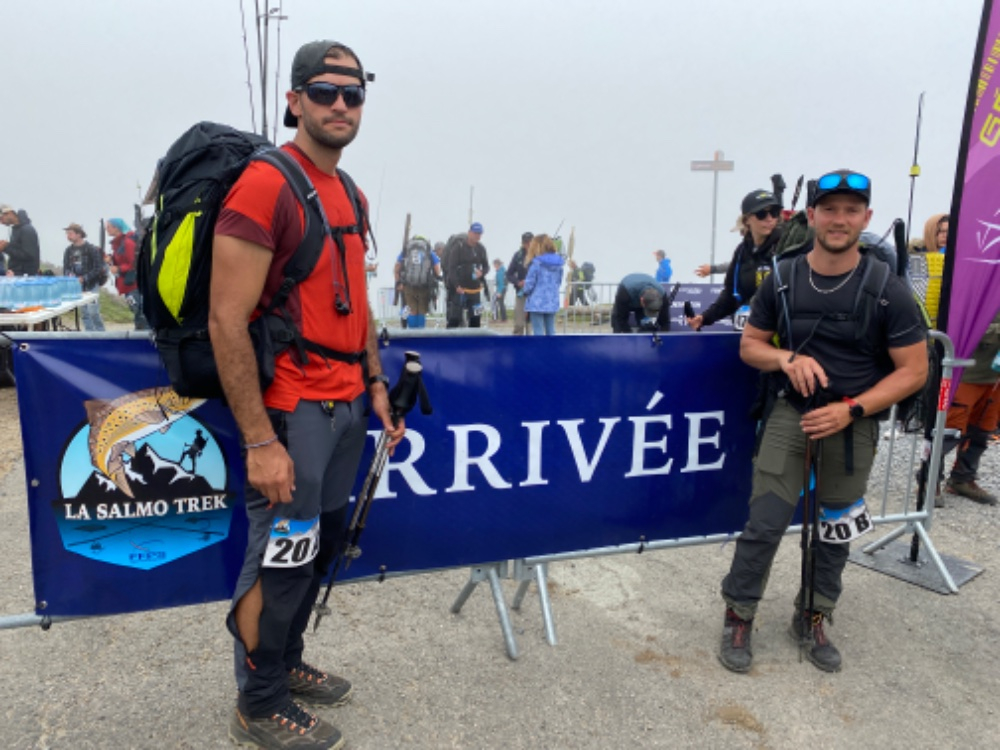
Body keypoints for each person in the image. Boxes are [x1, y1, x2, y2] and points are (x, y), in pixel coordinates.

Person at [209, 39, 404, 750]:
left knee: (315, 549)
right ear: (295, 101)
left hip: (347, 403)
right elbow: (226, 319)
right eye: (324, 91)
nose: (340, 105)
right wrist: (260, 440)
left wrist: (375, 382)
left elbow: (356, 303)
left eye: (353, 93)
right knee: (282, 557)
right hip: (293, 409)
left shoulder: (349, 192)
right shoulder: (266, 184)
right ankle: (257, 702)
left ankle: (286, 663)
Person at [718, 169, 927, 675]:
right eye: (829, 209)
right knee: (765, 523)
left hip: (853, 423)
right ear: (811, 215)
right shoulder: (783, 278)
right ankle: (739, 614)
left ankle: (813, 614)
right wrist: (785, 359)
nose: (839, 219)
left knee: (835, 530)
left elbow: (914, 371)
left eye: (851, 210)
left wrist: (852, 410)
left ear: (866, 218)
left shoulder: (887, 289)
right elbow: (751, 345)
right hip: (791, 414)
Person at [688, 189, 783, 332]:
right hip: (749, 332)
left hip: (780, 334)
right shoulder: (741, 251)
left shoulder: (786, 246)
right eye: (761, 214)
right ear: (747, 220)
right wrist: (705, 318)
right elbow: (731, 295)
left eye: (774, 213)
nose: (769, 218)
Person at [941, 310, 1000, 505]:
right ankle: (928, 480)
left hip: (994, 377)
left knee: (981, 431)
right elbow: (961, 325)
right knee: (949, 430)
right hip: (966, 373)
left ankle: (962, 478)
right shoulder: (982, 294)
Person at [443, 223, 489, 329]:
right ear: (469, 233)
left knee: (476, 319)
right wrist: (456, 285)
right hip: (460, 290)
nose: (477, 236)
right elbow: (451, 268)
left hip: (475, 290)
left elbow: (486, 266)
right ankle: (450, 338)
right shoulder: (458, 247)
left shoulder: (481, 248)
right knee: (454, 319)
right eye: (475, 233)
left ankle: (473, 339)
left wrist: (482, 273)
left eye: (479, 234)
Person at [62, 222, 106, 331]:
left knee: (93, 312)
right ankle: (90, 336)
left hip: (91, 285)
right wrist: (70, 277)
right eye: (67, 234)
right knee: (84, 313)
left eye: (70, 233)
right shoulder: (68, 250)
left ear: (79, 234)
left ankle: (101, 335)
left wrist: (84, 278)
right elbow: (66, 268)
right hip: (78, 286)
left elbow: (97, 268)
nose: (68, 236)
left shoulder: (91, 249)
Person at [107, 218, 149, 330]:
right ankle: (140, 333)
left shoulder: (127, 243)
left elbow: (133, 264)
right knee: (137, 311)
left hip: (132, 284)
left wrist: (118, 269)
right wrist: (111, 260)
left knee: (139, 311)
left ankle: (143, 335)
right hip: (127, 283)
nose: (107, 229)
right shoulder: (119, 243)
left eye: (108, 227)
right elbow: (122, 260)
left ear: (116, 228)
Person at [393, 235, 441, 329]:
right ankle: (420, 332)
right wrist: (435, 279)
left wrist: (398, 281)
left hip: (409, 286)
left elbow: (397, 266)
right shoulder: (428, 251)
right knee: (422, 311)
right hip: (424, 286)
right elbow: (437, 269)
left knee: (411, 310)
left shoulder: (406, 251)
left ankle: (411, 331)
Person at [522, 234, 564, 336]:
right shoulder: (559, 264)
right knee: (551, 331)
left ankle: (539, 347)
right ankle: (552, 347)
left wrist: (525, 291)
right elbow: (558, 282)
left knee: (538, 332)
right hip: (552, 301)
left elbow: (529, 285)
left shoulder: (536, 264)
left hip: (536, 303)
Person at [0, 204, 41, 276]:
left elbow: (29, 255)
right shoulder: (16, 229)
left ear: (9, 213)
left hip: (25, 276)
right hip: (17, 273)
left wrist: (6, 247)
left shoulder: (27, 229)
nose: (1, 222)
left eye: (1, 218)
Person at [507, 232, 533, 335]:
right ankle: (517, 342)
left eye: (530, 242)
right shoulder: (517, 256)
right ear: (522, 243)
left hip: (534, 295)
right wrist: (518, 282)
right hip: (521, 293)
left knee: (531, 325)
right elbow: (509, 274)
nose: (528, 244)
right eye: (526, 242)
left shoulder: (538, 256)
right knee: (519, 324)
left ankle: (532, 343)